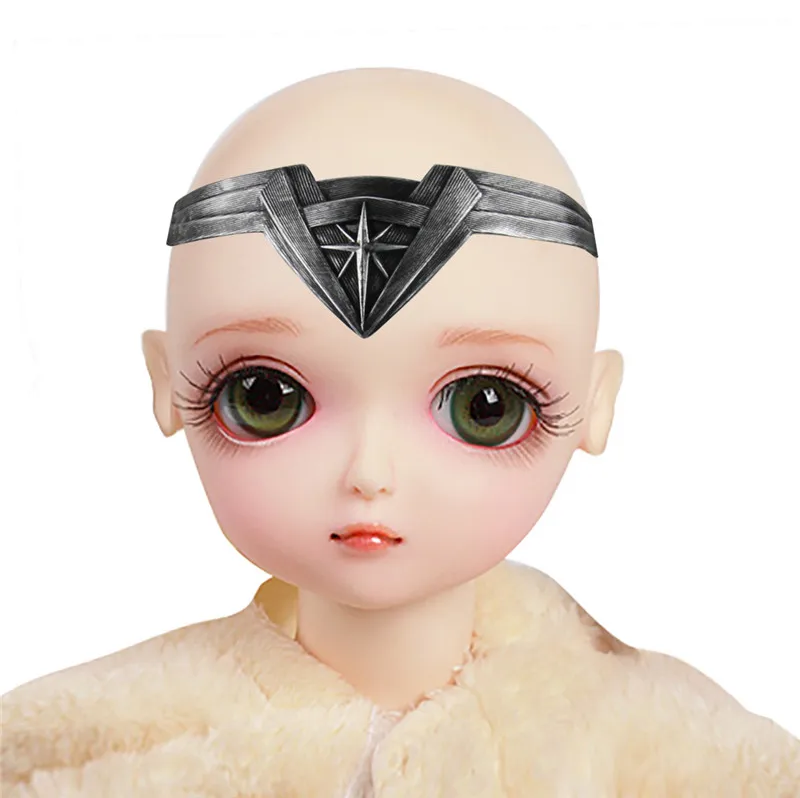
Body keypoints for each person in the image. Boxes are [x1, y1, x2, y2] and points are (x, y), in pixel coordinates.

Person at [2, 67, 798, 797]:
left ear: (596, 404)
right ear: (167, 383)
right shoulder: (75, 761)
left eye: (485, 404)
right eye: (266, 396)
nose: (369, 472)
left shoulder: (686, 765)